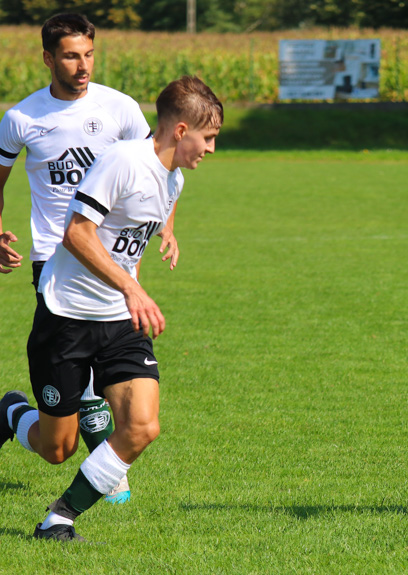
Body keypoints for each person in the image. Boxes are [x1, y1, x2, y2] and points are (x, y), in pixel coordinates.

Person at [0, 75, 222, 542]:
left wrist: (164, 237)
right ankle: (11, 413)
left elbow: (158, 206)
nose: (212, 149)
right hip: (66, 317)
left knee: (142, 426)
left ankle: (58, 519)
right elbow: (77, 232)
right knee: (55, 448)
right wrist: (131, 287)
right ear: (181, 131)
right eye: (209, 137)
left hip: (120, 322)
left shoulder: (174, 178)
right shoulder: (122, 160)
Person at [0, 13, 169, 505]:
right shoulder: (22, 118)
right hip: (53, 259)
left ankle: (97, 462)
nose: (82, 66)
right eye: (71, 56)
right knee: (65, 431)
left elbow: (157, 168)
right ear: (49, 58)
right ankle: (34, 421)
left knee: (120, 403)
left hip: (115, 260)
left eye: (89, 54)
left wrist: (168, 230)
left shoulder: (119, 109)